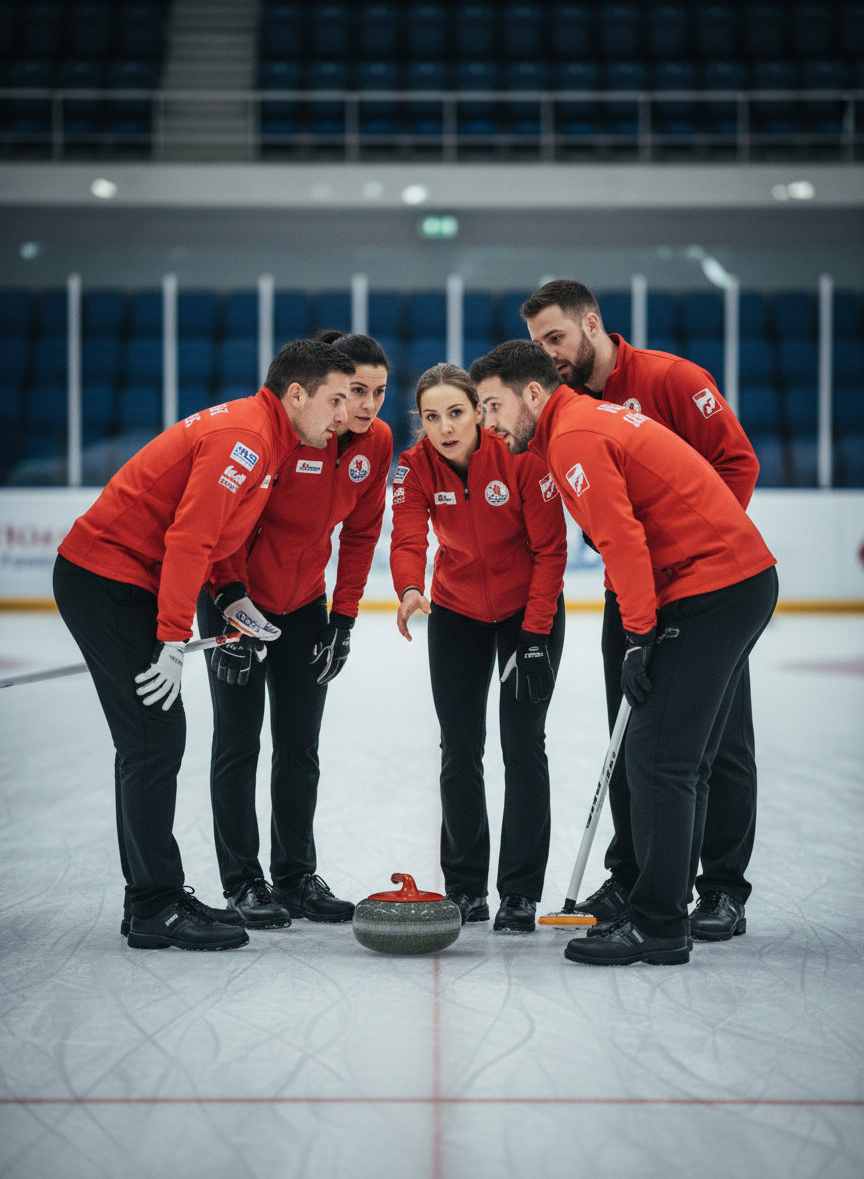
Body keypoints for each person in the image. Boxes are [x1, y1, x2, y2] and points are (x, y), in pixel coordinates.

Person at [472, 340, 777, 966]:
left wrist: (638, 636)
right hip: (727, 585)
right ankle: (659, 907)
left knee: (659, 759)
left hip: (712, 591)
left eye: (493, 406)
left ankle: (660, 926)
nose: (488, 424)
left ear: (533, 394)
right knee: (676, 760)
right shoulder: (580, 423)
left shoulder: (574, 437)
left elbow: (621, 541)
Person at [53, 340, 354, 952]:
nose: (343, 417)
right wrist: (171, 638)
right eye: (335, 401)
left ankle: (152, 895)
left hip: (128, 581)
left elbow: (216, 541)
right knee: (151, 737)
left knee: (155, 737)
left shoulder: (269, 439)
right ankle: (153, 905)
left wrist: (233, 597)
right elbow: (189, 538)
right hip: (107, 580)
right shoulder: (245, 439)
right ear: (296, 395)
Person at [197, 332, 392, 929]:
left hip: (306, 606)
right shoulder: (287, 435)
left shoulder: (376, 443)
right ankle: (244, 882)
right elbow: (227, 526)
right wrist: (233, 606)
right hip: (236, 599)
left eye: (379, 393)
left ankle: (296, 878)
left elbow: (360, 535)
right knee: (239, 743)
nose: (365, 407)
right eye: (354, 392)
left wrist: (345, 617)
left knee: (299, 747)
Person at [390, 363, 567, 932]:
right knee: (459, 749)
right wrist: (411, 588)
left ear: (479, 411)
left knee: (522, 745)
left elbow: (551, 552)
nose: (445, 427)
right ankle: (466, 889)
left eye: (456, 413)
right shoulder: (415, 468)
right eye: (432, 417)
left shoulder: (519, 458)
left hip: (527, 615)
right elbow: (407, 535)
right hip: (457, 614)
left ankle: (519, 892)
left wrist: (536, 634)